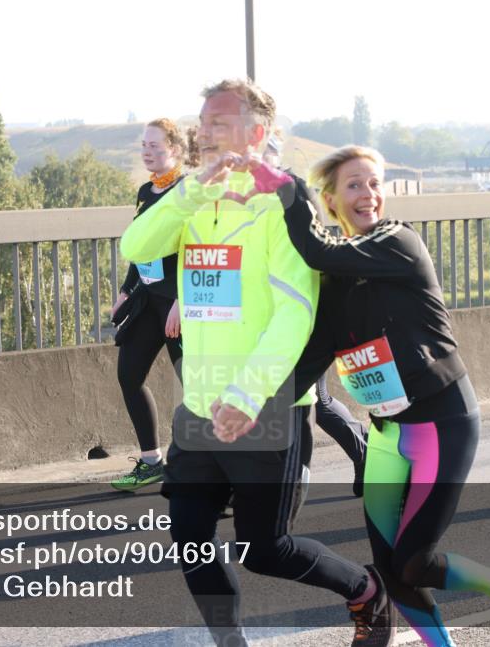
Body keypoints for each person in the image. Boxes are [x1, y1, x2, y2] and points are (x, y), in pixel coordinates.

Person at [121, 80, 381, 647]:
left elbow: (295, 313)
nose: (203, 131)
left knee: (267, 549)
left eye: (218, 121)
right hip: (199, 403)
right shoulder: (196, 196)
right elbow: (136, 247)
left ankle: (365, 591)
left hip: (265, 405)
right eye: (202, 120)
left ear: (257, 133)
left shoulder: (284, 200)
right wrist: (189, 194)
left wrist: (246, 395)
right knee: (189, 537)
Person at [272, 144, 490, 647]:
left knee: (417, 561)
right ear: (331, 200)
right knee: (390, 567)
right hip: (385, 429)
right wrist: (258, 403)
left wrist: (287, 187)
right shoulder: (333, 274)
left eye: (375, 182)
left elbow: (316, 248)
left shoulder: (398, 241)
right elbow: (318, 353)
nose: (369, 194)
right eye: (354, 184)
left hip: (443, 421)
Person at [263, 130, 368, 496]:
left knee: (311, 399)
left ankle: (365, 457)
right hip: (265, 314)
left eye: (263, 153)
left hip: (304, 312)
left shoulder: (291, 189)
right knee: (304, 399)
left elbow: (313, 246)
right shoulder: (242, 197)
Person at [110, 119, 196, 492]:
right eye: (144, 145)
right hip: (147, 300)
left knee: (198, 390)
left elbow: (197, 248)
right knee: (129, 375)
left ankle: (215, 477)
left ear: (175, 150)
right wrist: (127, 290)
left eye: (155, 146)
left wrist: (182, 299)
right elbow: (141, 244)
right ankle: (151, 462)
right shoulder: (147, 191)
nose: (147, 152)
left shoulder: (189, 192)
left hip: (178, 303)